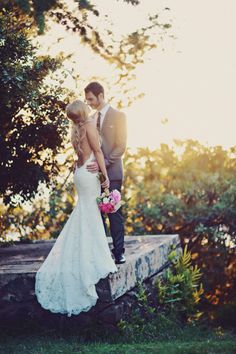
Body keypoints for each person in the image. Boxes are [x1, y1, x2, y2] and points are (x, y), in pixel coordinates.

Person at [35, 100, 118, 317]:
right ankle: (97, 258)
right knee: (89, 214)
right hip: (89, 175)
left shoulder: (77, 129)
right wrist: (105, 178)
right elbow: (98, 153)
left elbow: (82, 155)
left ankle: (89, 253)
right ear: (84, 111)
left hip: (80, 173)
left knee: (85, 214)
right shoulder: (89, 125)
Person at [84, 82, 127, 264]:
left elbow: (121, 146)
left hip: (113, 173)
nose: (89, 103)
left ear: (101, 95)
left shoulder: (119, 116)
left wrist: (104, 165)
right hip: (93, 176)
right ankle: (103, 254)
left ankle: (119, 253)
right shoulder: (91, 119)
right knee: (96, 214)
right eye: (87, 100)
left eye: (91, 99)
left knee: (114, 214)